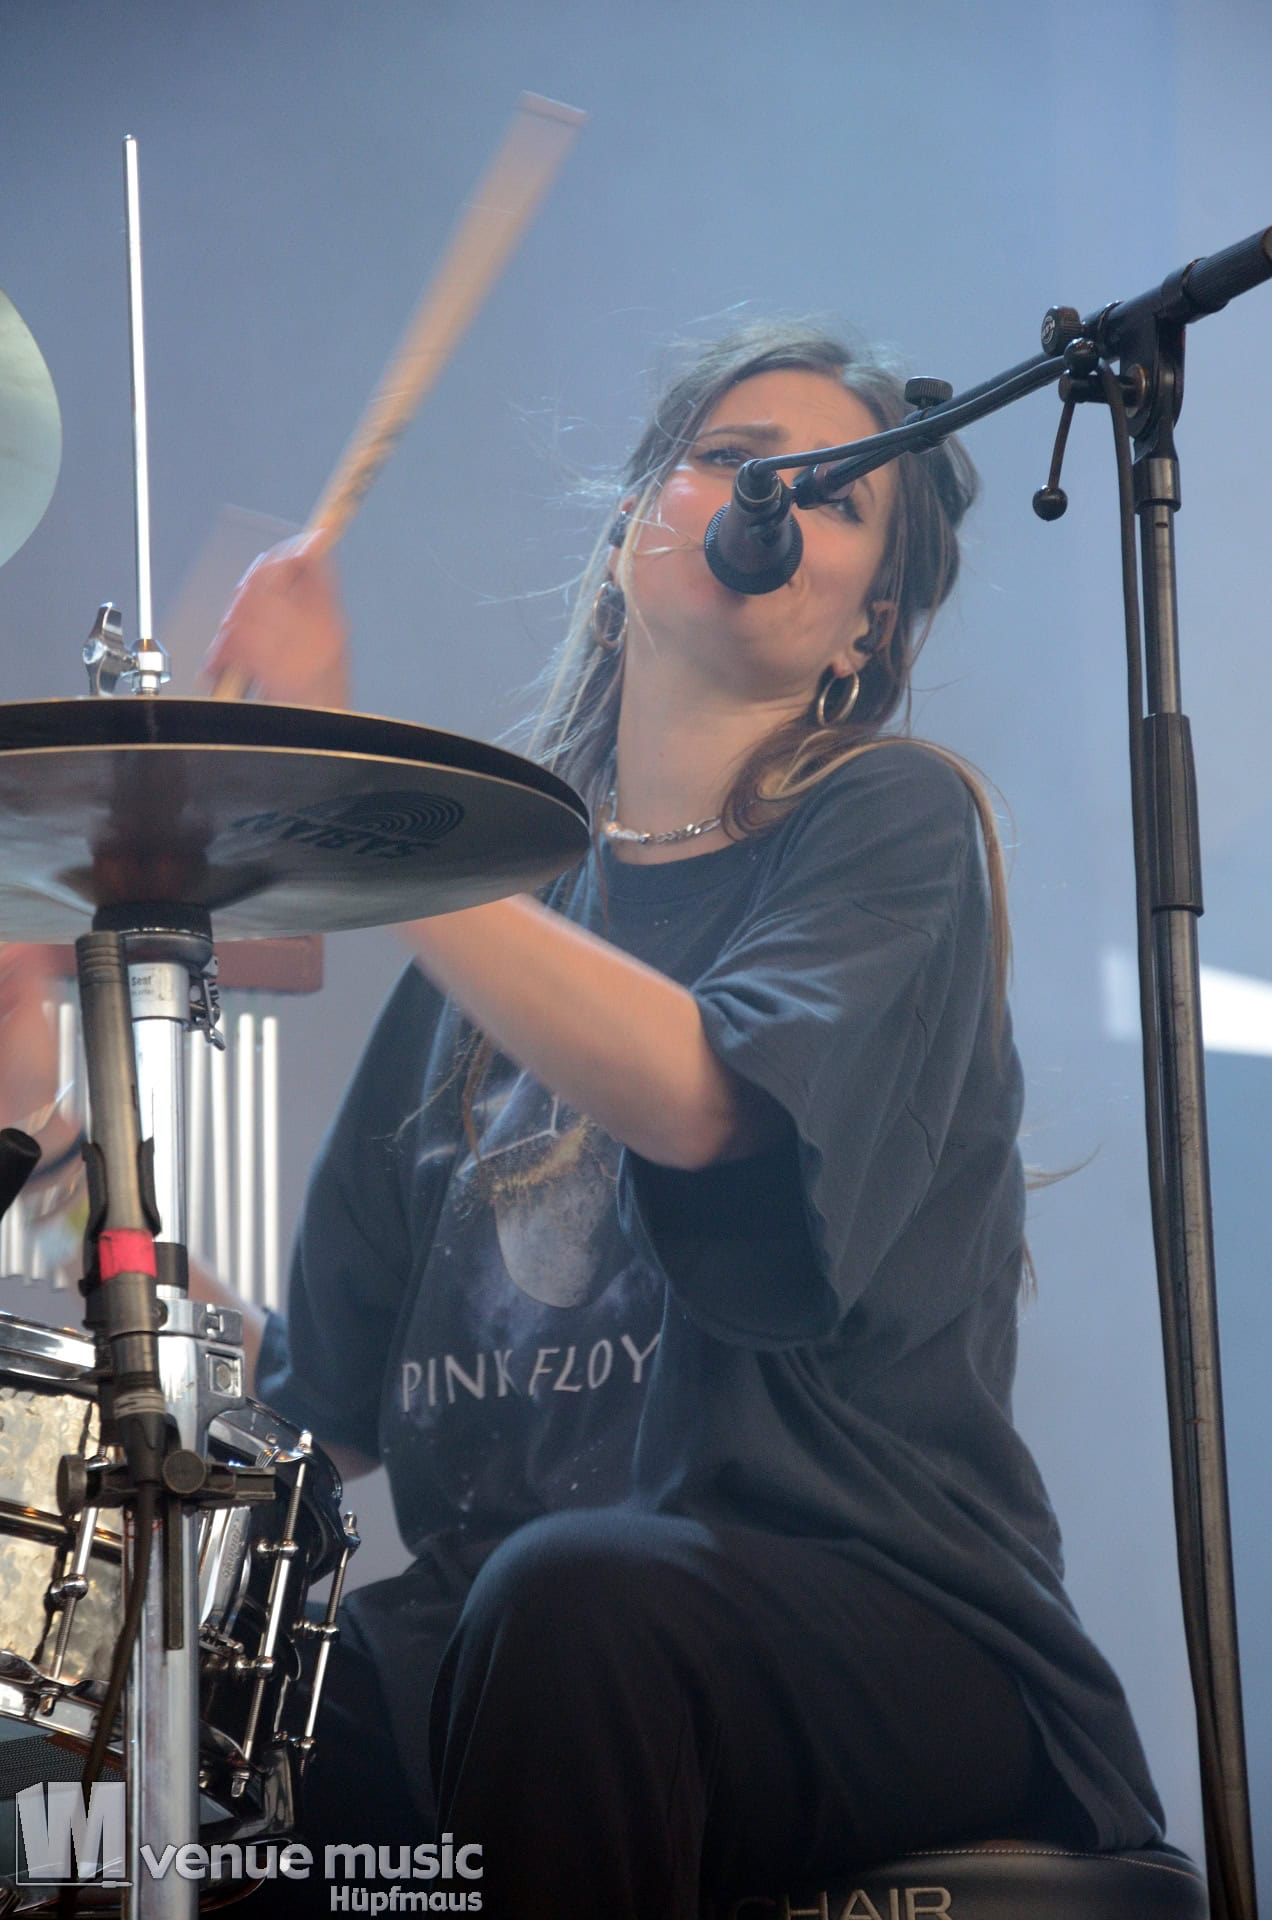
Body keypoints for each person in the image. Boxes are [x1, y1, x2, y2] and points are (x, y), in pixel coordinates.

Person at [1, 323, 1164, 1918]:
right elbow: (314, 1406)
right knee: (154, 1736)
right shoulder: (499, 941)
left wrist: (348, 812)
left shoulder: (892, 822)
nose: (773, 495)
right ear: (630, 535)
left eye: (834, 494)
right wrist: (62, 1143)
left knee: (572, 1608)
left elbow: (700, 1095)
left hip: (873, 1616)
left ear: (868, 627)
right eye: (732, 458)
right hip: (514, 1640)